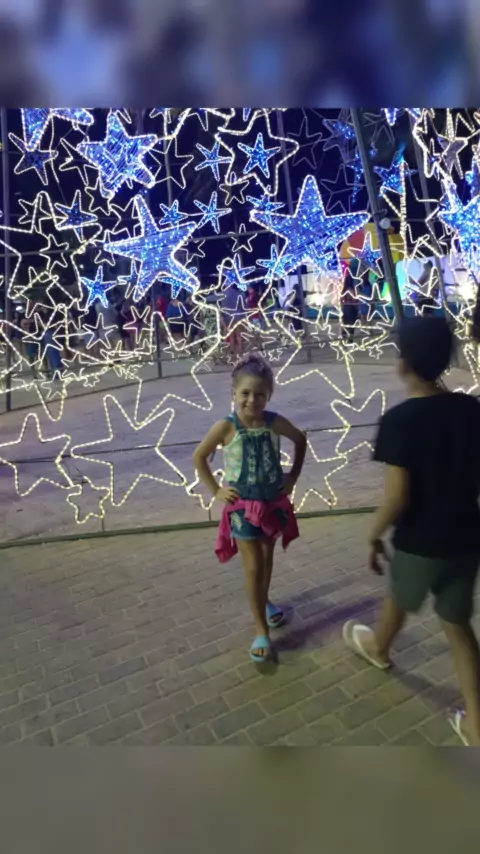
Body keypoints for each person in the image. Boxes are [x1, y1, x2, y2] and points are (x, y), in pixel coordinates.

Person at [342, 316, 480, 746]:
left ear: (403, 363)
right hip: (466, 539)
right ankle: (477, 724)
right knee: (458, 626)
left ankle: (379, 648)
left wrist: (373, 533)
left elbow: (397, 496)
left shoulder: (399, 421)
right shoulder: (471, 410)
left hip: (420, 541)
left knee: (399, 598)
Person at [193, 353, 307, 664]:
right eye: (245, 393)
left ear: (269, 395)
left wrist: (292, 476)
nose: (252, 400)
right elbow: (199, 456)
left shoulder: (274, 422)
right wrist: (216, 490)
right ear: (234, 393)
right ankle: (261, 631)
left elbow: (300, 439)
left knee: (267, 559)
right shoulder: (226, 427)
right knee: (253, 564)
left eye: (259, 394)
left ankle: (264, 601)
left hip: (271, 503)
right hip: (242, 508)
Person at [341, 258, 361, 341]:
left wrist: (342, 306)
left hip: (345, 307)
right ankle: (350, 339)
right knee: (352, 324)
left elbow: (341, 299)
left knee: (345, 323)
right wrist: (357, 306)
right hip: (351, 308)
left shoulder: (344, 290)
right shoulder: (352, 289)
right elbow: (354, 299)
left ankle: (344, 337)